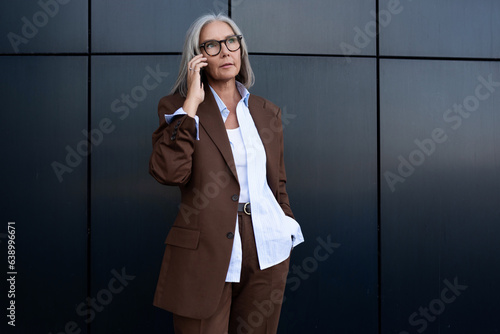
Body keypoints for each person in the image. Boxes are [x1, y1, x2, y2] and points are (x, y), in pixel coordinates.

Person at [149, 13, 304, 334]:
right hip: (204, 248)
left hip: (267, 247)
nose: (225, 51)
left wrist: (286, 226)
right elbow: (168, 172)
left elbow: (277, 182)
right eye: (212, 45)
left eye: (231, 41)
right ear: (198, 57)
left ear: (241, 49)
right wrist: (191, 103)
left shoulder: (266, 111)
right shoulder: (177, 107)